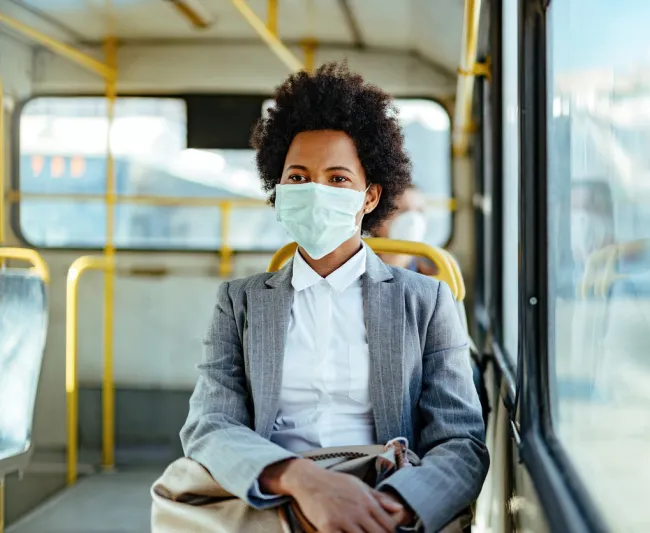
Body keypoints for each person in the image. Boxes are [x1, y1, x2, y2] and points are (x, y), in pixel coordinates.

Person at [180, 62, 488, 533]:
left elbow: (460, 441)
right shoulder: (238, 303)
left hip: (383, 495)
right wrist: (302, 482)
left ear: (370, 197)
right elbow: (210, 424)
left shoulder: (428, 302)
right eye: (298, 178)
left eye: (338, 179)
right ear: (278, 190)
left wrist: (393, 509)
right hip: (274, 492)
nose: (315, 192)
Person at [372, 184, 437, 275]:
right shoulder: (357, 270)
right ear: (377, 221)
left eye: (420, 211)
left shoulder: (435, 275)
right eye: (403, 211)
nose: (414, 219)